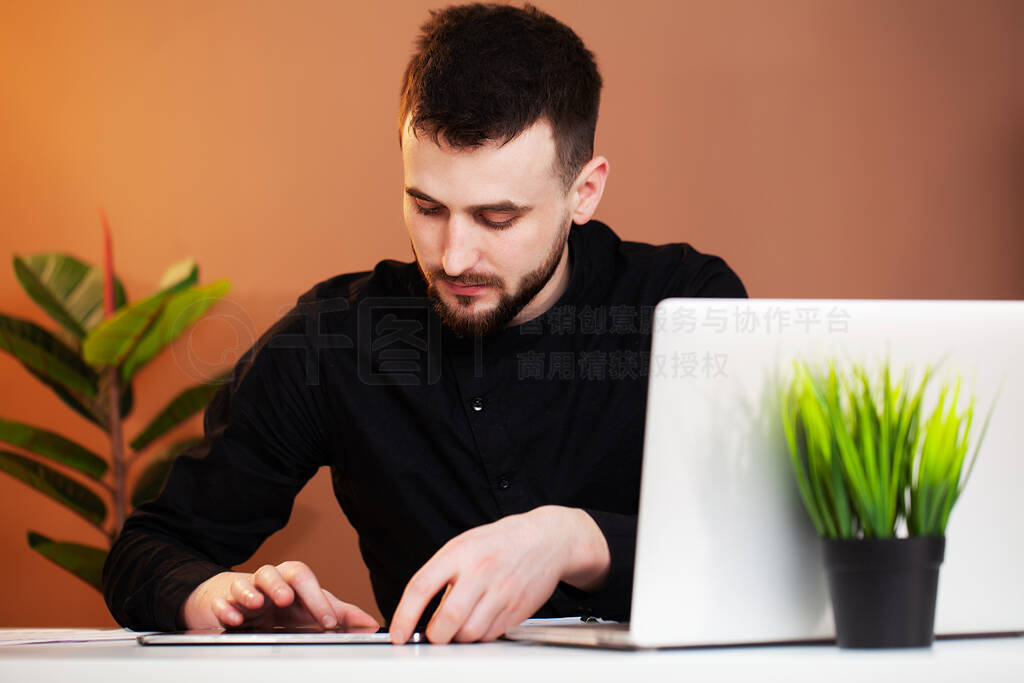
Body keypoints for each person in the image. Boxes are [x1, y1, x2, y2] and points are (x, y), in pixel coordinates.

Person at [103, 2, 747, 645]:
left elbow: (756, 545)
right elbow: (149, 549)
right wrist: (217, 599)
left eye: (498, 218)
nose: (453, 256)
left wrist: (574, 538)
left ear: (584, 191)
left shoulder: (685, 307)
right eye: (428, 206)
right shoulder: (337, 339)